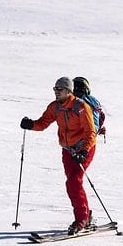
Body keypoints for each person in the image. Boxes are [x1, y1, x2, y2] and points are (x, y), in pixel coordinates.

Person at [20, 77, 98, 234]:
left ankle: (81, 219)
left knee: (74, 182)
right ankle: (86, 217)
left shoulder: (81, 107)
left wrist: (83, 151)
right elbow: (42, 123)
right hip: (68, 150)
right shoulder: (55, 107)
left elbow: (90, 132)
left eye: (59, 89)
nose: (56, 92)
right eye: (55, 89)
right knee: (71, 183)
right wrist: (31, 125)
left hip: (84, 148)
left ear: (68, 91)